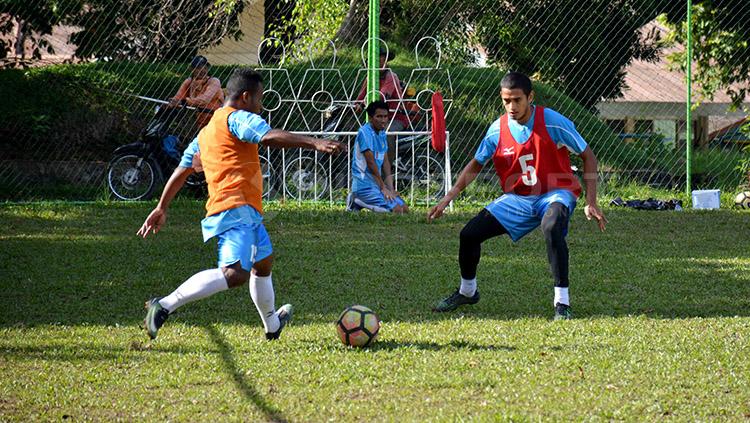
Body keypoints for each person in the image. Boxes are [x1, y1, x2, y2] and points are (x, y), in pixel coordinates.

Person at [138, 68, 345, 340]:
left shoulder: (206, 132)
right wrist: (313, 142)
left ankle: (273, 326)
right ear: (246, 97)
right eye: (259, 99)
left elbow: (182, 170)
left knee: (264, 264)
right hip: (234, 207)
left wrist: (161, 207)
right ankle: (163, 305)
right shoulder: (237, 119)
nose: (260, 106)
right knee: (235, 274)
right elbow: (267, 136)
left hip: (245, 210)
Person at [427, 72, 607, 320]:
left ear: (530, 97)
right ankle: (467, 292)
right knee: (469, 235)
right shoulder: (497, 130)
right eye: (506, 101)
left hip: (556, 192)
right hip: (520, 198)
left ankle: (562, 303)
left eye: (517, 100)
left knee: (552, 226)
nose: (511, 107)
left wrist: (591, 202)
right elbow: (477, 164)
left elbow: (588, 156)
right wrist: (448, 198)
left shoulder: (553, 122)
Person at [347, 101, 408, 213]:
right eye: (379, 116)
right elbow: (371, 163)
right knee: (398, 210)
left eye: (385, 116)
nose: (383, 120)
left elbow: (385, 163)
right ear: (370, 118)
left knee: (405, 209)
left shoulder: (382, 133)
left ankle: (359, 202)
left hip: (377, 186)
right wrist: (383, 188)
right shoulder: (364, 133)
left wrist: (391, 189)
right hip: (364, 187)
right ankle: (355, 199)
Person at [355, 46, 409, 163]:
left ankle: (387, 168)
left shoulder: (391, 77)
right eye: (374, 60)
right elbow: (360, 98)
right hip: (377, 118)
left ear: (385, 60)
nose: (378, 62)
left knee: (385, 132)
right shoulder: (369, 77)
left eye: (380, 59)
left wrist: (365, 103)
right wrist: (357, 105)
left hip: (395, 117)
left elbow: (381, 97)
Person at [170, 55, 225, 128]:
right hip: (194, 121)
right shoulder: (189, 81)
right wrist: (173, 101)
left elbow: (204, 100)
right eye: (199, 68)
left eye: (205, 67)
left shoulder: (214, 81)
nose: (203, 70)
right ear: (191, 69)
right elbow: (178, 96)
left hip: (213, 121)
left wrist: (185, 102)